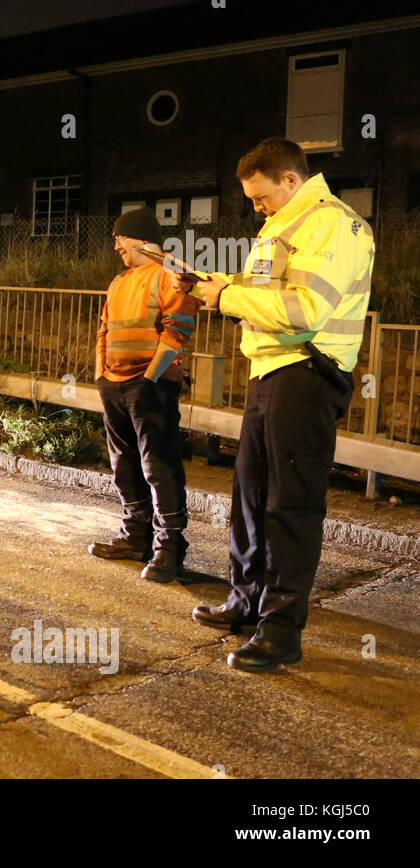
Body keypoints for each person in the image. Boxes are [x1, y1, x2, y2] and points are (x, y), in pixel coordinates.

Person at [173, 138, 374, 673]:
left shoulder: (332, 224)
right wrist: (217, 284)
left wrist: (227, 299)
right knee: (250, 496)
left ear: (290, 180)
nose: (257, 208)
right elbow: (265, 290)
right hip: (271, 370)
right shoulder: (284, 223)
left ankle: (281, 632)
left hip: (307, 371)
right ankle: (246, 603)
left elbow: (305, 309)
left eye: (262, 197)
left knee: (290, 507)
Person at [90, 207, 200, 583]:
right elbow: (104, 329)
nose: (116, 246)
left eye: (120, 239)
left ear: (137, 238)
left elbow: (179, 326)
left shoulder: (170, 274)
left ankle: (170, 549)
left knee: (159, 466)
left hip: (149, 386)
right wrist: (101, 373)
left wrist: (151, 376)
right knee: (124, 464)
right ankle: (134, 537)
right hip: (116, 385)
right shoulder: (119, 282)